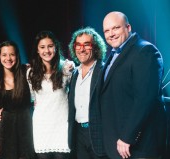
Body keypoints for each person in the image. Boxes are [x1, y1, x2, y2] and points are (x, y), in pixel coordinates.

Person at [101, 11, 167, 159]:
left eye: (115, 28)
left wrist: (127, 136)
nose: (111, 34)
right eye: (106, 30)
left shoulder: (145, 51)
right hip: (117, 144)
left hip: (137, 146)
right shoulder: (113, 54)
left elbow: (145, 100)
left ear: (128, 27)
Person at [27, 31, 74, 159]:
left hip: (61, 125)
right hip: (41, 126)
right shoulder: (31, 72)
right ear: (37, 50)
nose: (47, 50)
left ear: (56, 47)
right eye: (42, 47)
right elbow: (32, 99)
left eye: (50, 46)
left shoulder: (66, 68)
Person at [68, 27, 108, 159]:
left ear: (95, 47)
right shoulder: (74, 73)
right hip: (79, 134)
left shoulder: (104, 70)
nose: (82, 49)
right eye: (78, 45)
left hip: (98, 133)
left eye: (87, 44)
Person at [0, 41, 35, 159]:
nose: (8, 58)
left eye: (12, 54)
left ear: (17, 56)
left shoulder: (27, 71)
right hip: (6, 127)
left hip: (27, 124)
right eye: (4, 55)